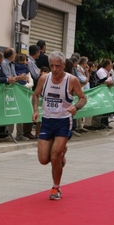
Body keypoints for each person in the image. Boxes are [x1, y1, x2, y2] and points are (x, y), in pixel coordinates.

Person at [32, 51, 86, 200]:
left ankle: (56, 188)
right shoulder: (44, 79)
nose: (54, 69)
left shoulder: (71, 80)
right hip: (47, 121)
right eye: (51, 66)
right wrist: (36, 110)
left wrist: (76, 107)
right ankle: (61, 153)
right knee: (44, 159)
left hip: (63, 121)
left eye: (57, 66)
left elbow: (82, 98)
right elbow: (35, 94)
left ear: (63, 65)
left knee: (54, 156)